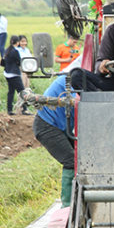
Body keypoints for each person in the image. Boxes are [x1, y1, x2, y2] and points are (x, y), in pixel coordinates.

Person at [33, 74, 75, 207]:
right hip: (47, 125)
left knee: (82, 159)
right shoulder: (74, 81)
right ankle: (67, 206)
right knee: (71, 160)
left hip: (62, 125)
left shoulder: (79, 78)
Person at [2, 35, 27, 115]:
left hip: (7, 73)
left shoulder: (7, 50)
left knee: (11, 92)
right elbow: (19, 62)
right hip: (14, 74)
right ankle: (24, 109)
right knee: (22, 91)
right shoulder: (15, 51)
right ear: (17, 42)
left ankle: (9, 110)